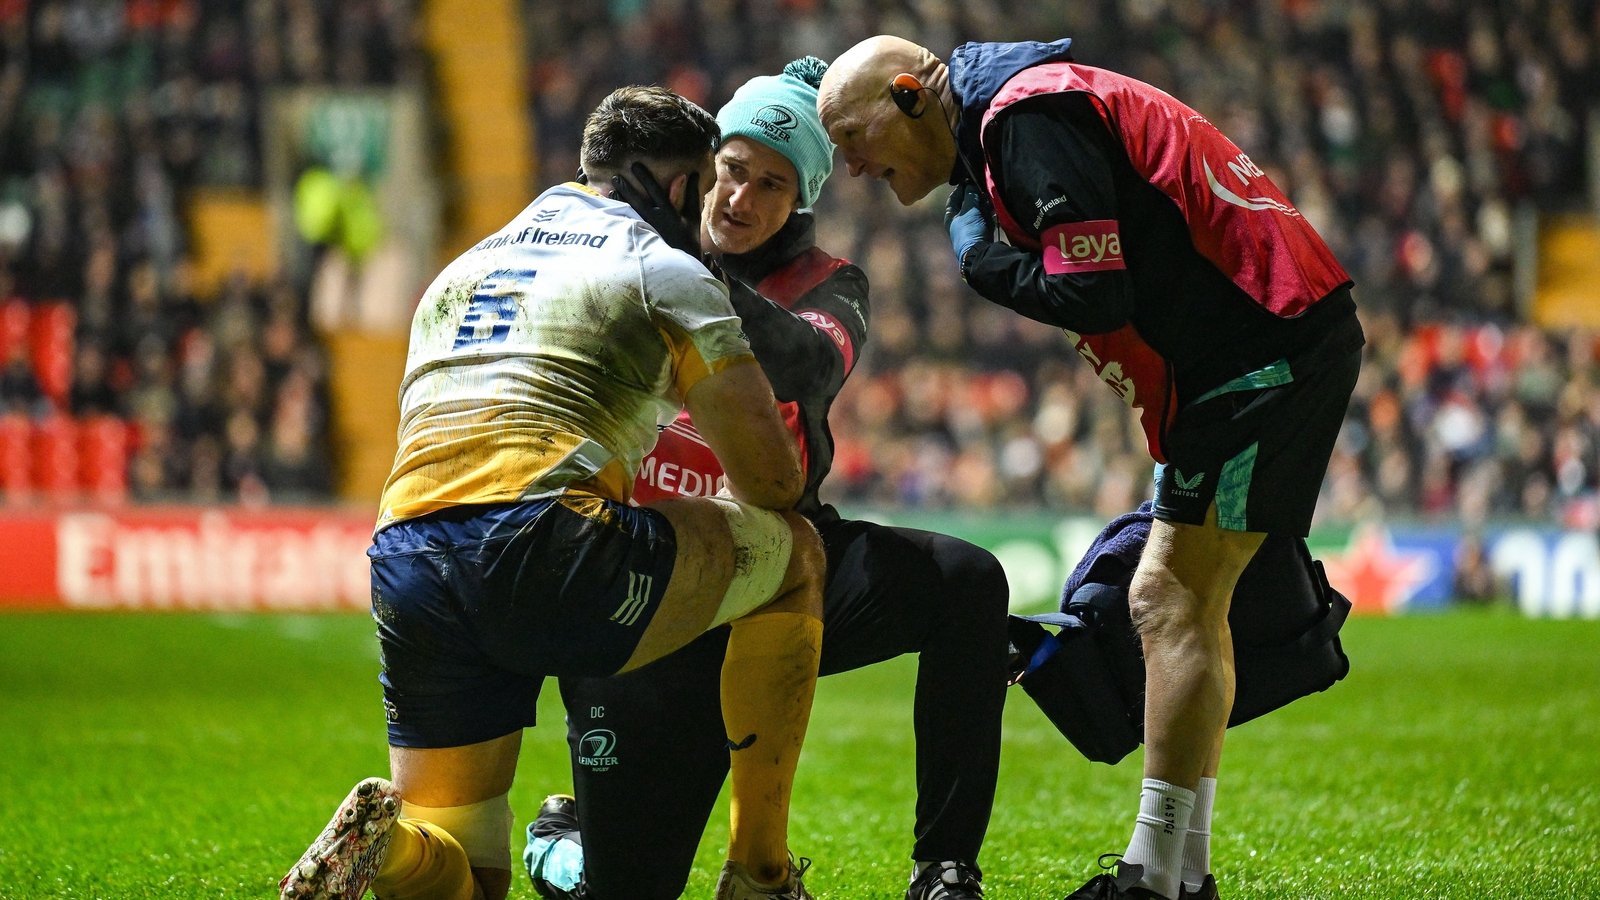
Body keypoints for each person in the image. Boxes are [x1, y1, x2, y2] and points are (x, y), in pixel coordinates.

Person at [818, 36, 1365, 900]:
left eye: (855, 137)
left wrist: (986, 264)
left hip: (1257, 350)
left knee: (1170, 599)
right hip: (1256, 344)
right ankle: (1175, 873)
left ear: (911, 95)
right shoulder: (1023, 115)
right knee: (1182, 601)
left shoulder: (1024, 117)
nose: (852, 167)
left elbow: (1094, 291)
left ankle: (1159, 879)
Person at [278, 85, 828, 900]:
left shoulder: (467, 265)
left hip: (406, 555)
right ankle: (760, 874)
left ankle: (389, 849)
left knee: (471, 873)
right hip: (547, 538)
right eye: (710, 183)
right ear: (681, 187)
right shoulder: (665, 269)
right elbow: (771, 479)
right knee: (797, 556)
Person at [522, 58, 1009, 900]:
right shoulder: (622, 258)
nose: (739, 199)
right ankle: (558, 841)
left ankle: (944, 868)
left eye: (772, 185)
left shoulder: (831, 285)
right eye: (732, 171)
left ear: (801, 201)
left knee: (966, 581)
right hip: (651, 581)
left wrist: (688, 267)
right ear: (703, 168)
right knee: (623, 886)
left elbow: (808, 362)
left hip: (786, 572)